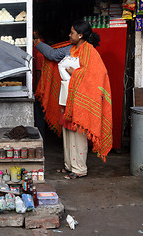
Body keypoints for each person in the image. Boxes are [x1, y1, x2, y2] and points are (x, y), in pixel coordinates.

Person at [33, 20, 112, 179]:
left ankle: (79, 169)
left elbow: (98, 76)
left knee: (77, 133)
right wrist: (37, 43)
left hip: (80, 99)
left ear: (81, 35)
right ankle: (69, 166)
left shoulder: (89, 52)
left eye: (72, 32)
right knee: (67, 131)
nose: (69, 35)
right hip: (66, 97)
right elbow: (52, 55)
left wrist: (73, 73)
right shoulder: (71, 49)